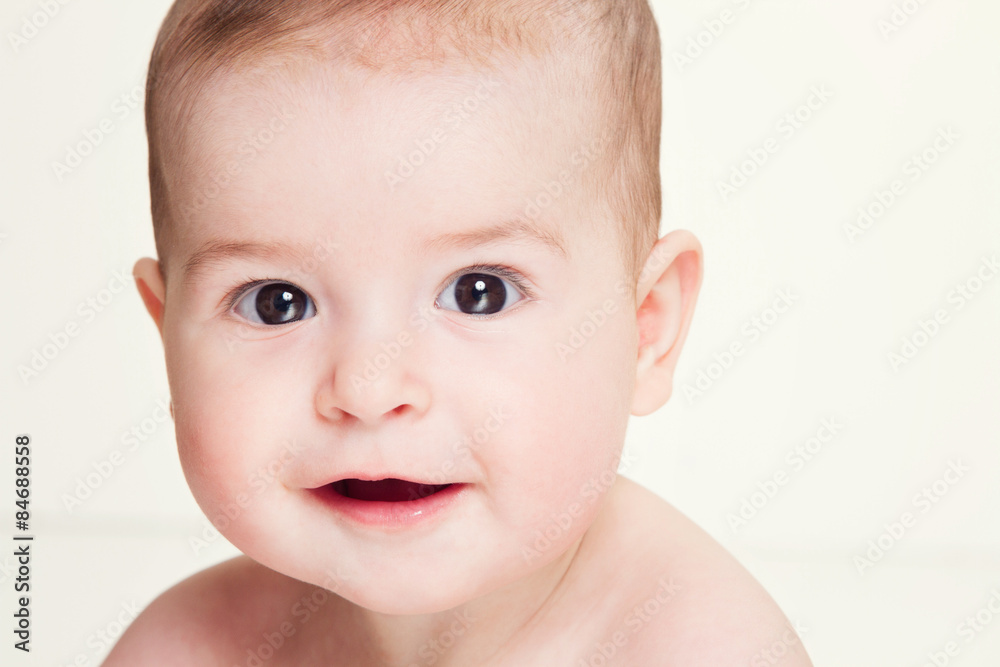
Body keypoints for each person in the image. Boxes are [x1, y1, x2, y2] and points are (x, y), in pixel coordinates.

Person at [105, 0, 812, 664]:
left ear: (645, 328)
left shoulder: (700, 647)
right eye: (276, 303)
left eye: (480, 293)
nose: (370, 387)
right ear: (167, 340)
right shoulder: (190, 648)